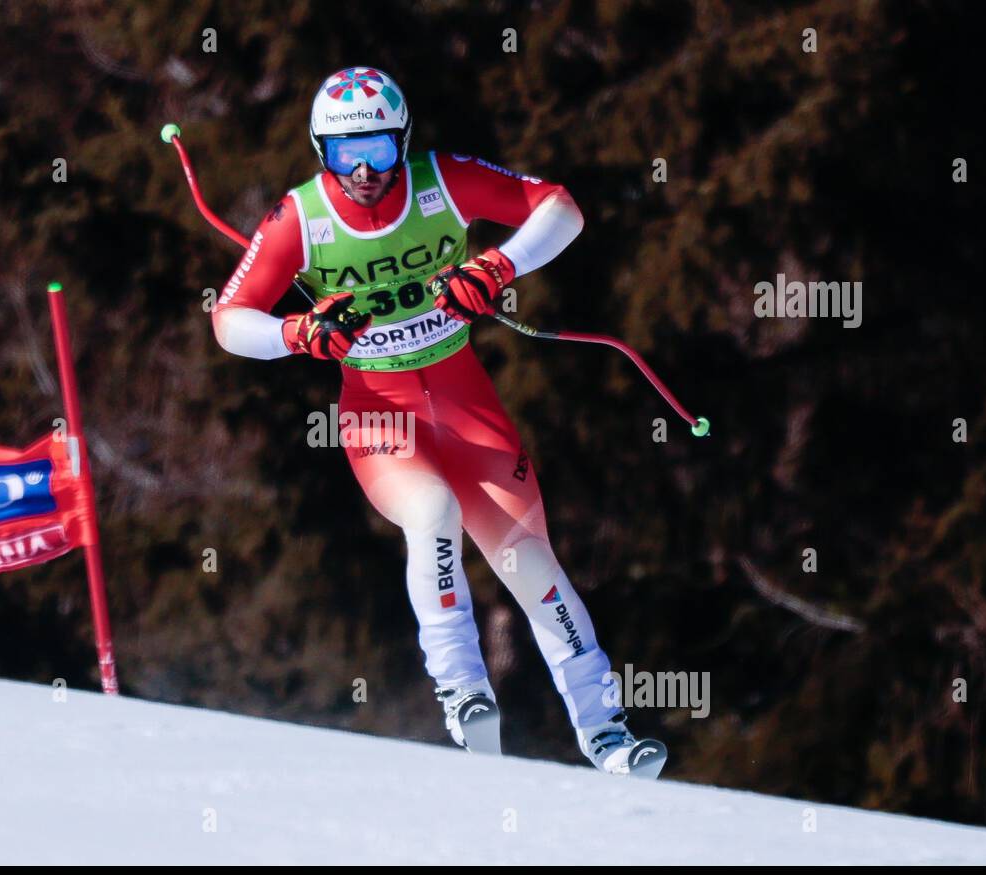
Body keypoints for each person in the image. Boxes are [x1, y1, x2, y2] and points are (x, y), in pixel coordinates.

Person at [211, 66, 666, 777]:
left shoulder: (442, 183)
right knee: (432, 512)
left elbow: (561, 210)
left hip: (467, 407)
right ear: (318, 151)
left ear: (405, 141)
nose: (363, 171)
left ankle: (605, 731)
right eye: (342, 155)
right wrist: (298, 332)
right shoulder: (299, 217)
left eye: (381, 152)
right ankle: (462, 691)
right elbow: (229, 321)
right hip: (380, 416)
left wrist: (498, 267)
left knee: (531, 564)